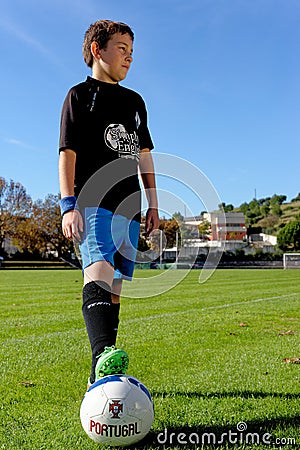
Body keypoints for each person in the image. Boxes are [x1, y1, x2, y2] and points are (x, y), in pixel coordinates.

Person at [58, 20, 159, 387]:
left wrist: (153, 205)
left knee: (115, 290)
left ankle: (99, 372)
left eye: (132, 52)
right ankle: (103, 354)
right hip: (92, 201)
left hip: (129, 206)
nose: (129, 57)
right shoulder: (79, 96)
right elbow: (66, 153)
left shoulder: (135, 102)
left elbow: (144, 157)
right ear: (98, 50)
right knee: (98, 270)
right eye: (121, 48)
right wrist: (68, 204)